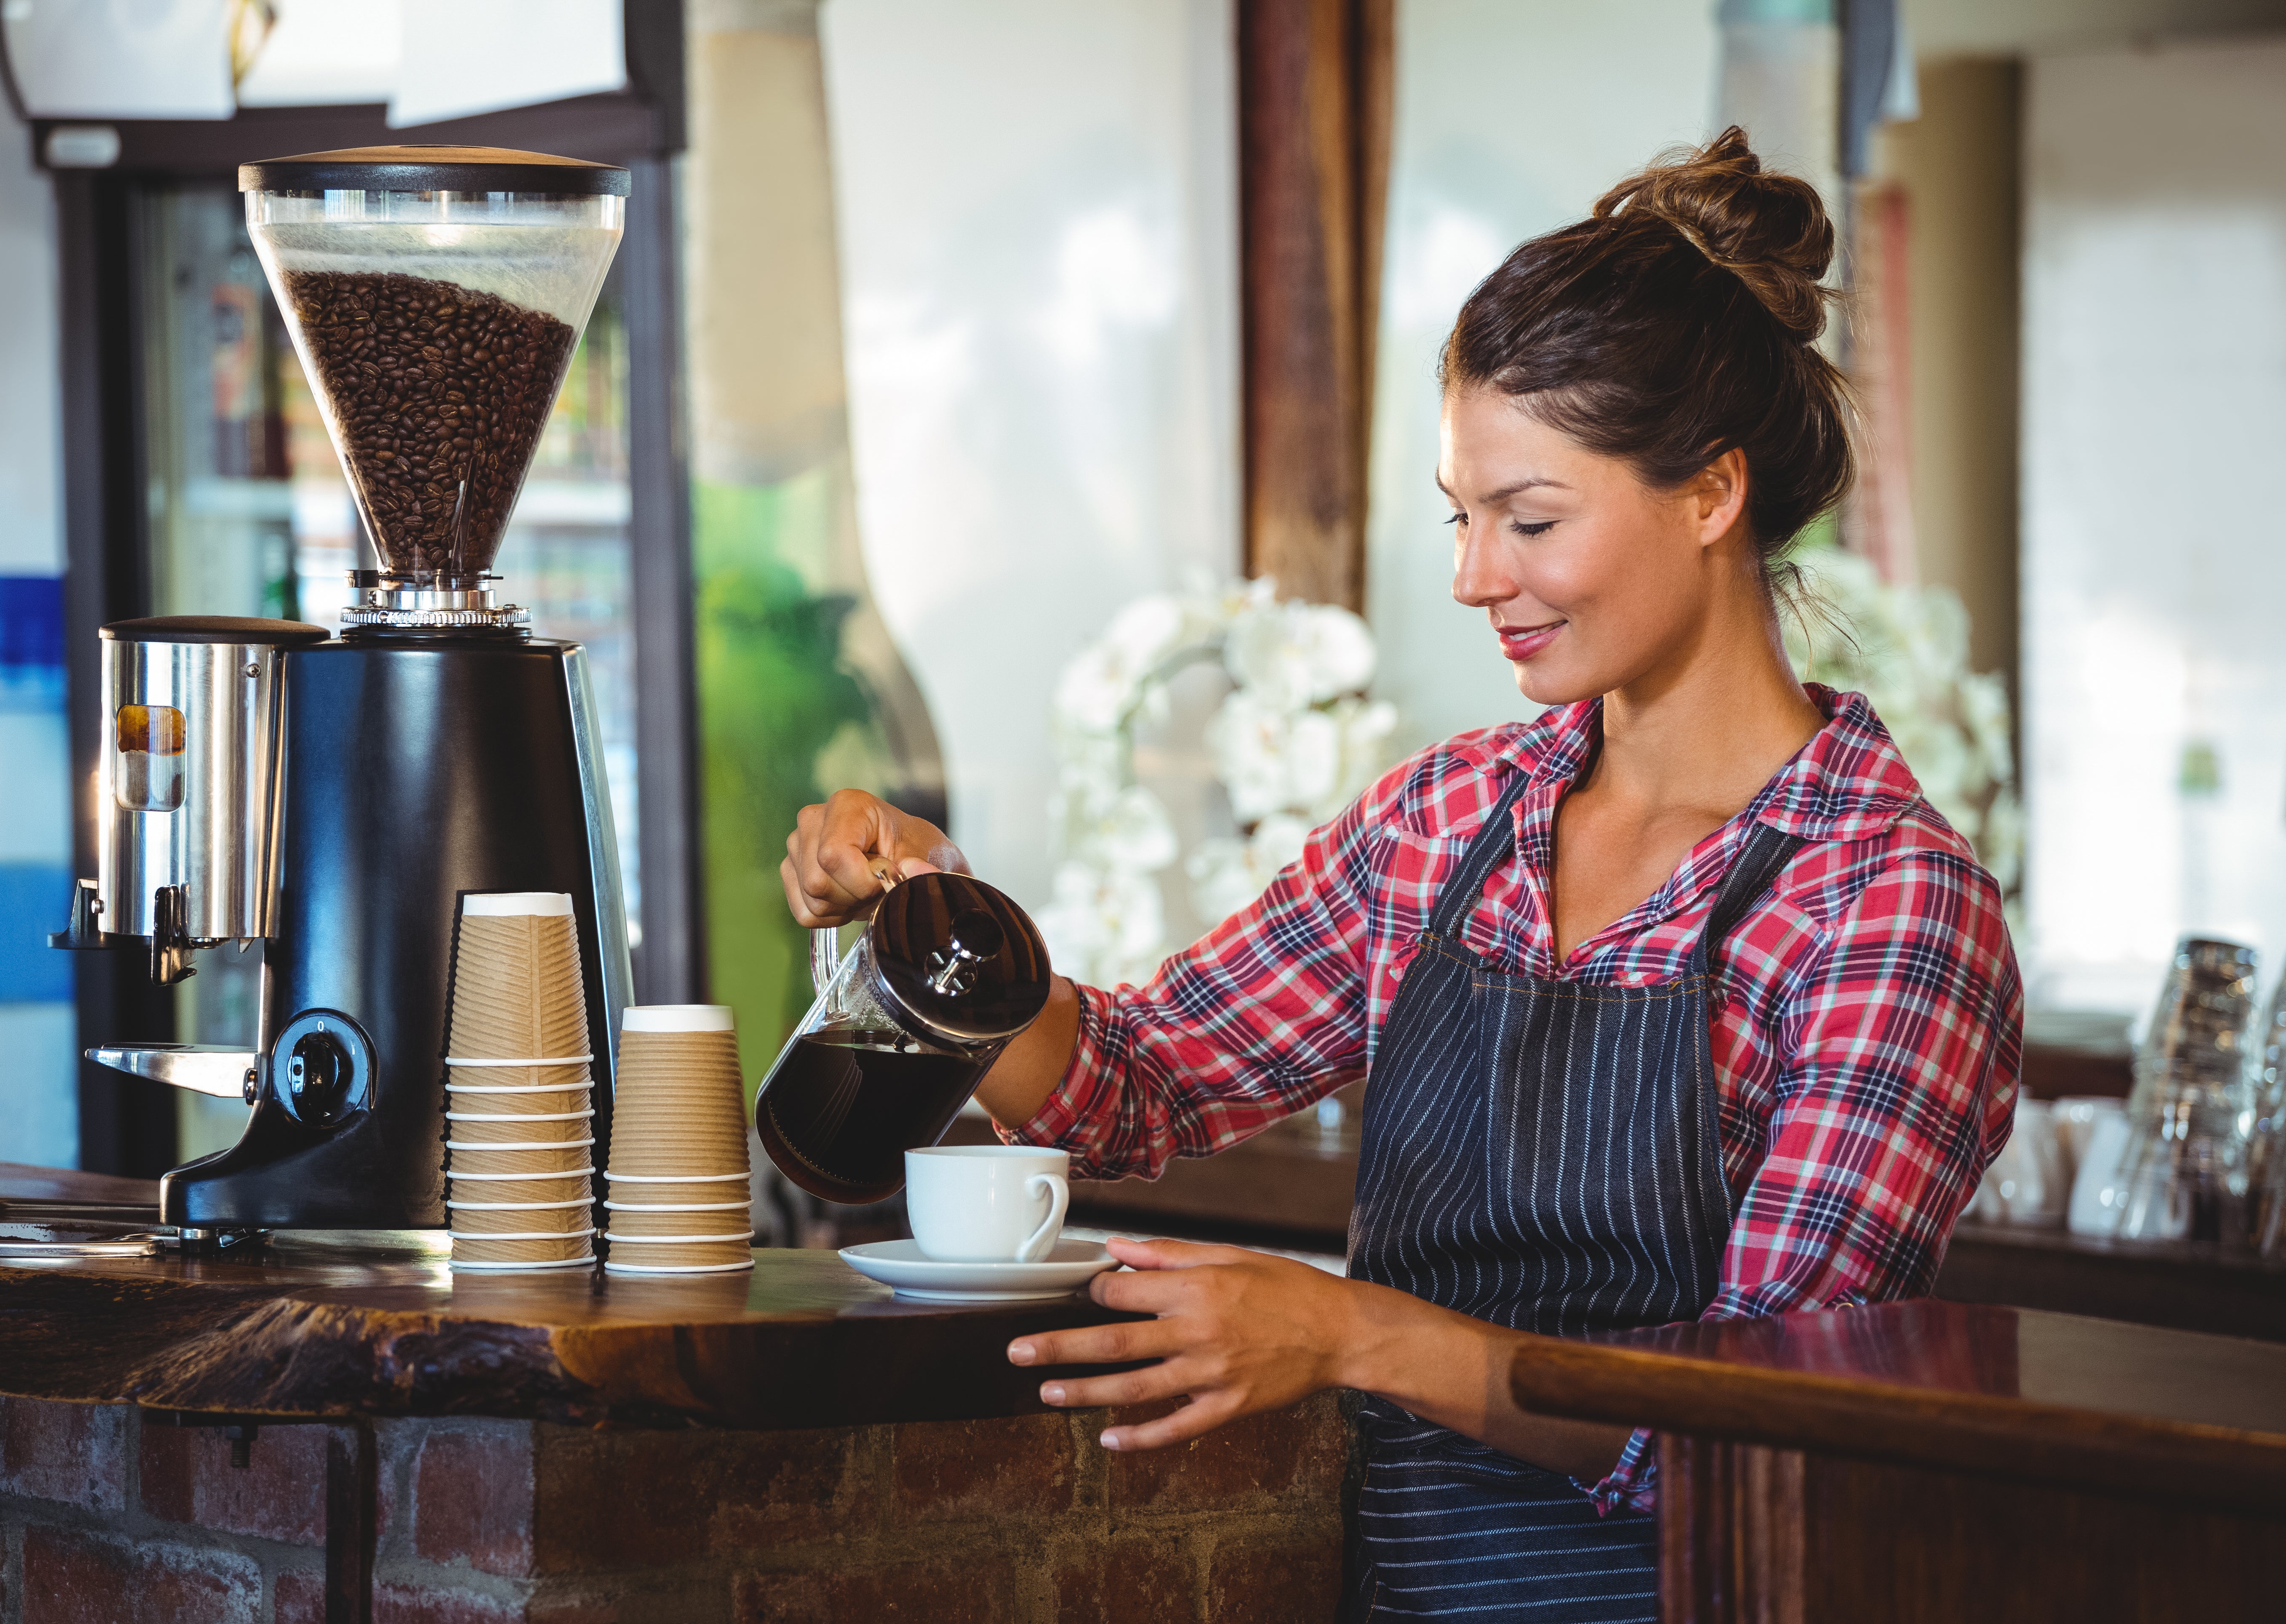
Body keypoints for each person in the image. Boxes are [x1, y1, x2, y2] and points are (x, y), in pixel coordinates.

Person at [780, 127, 2020, 1623]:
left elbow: (1745, 1421)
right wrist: (932, 907)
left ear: (1710, 496)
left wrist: (1351, 1334)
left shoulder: (1885, 904)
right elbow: (1137, 1078)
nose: (1473, 578)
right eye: (1461, 513)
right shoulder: (1450, 822)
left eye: (1532, 520)